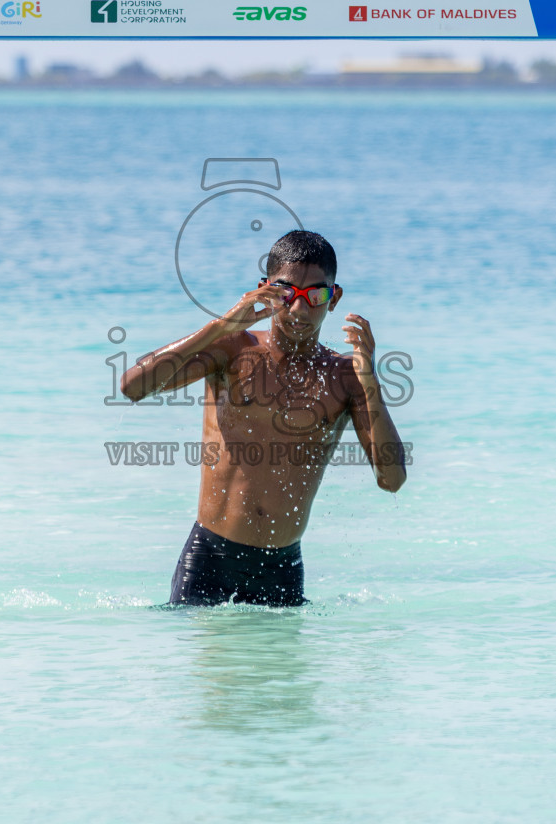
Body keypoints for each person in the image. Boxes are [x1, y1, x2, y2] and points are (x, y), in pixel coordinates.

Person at [119, 230, 407, 606]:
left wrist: (370, 382)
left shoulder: (347, 378)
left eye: (315, 296)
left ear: (333, 298)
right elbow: (132, 387)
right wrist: (221, 326)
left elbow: (392, 480)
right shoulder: (233, 349)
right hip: (209, 561)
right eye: (286, 294)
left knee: (276, 666)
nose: (300, 310)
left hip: (282, 570)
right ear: (264, 290)